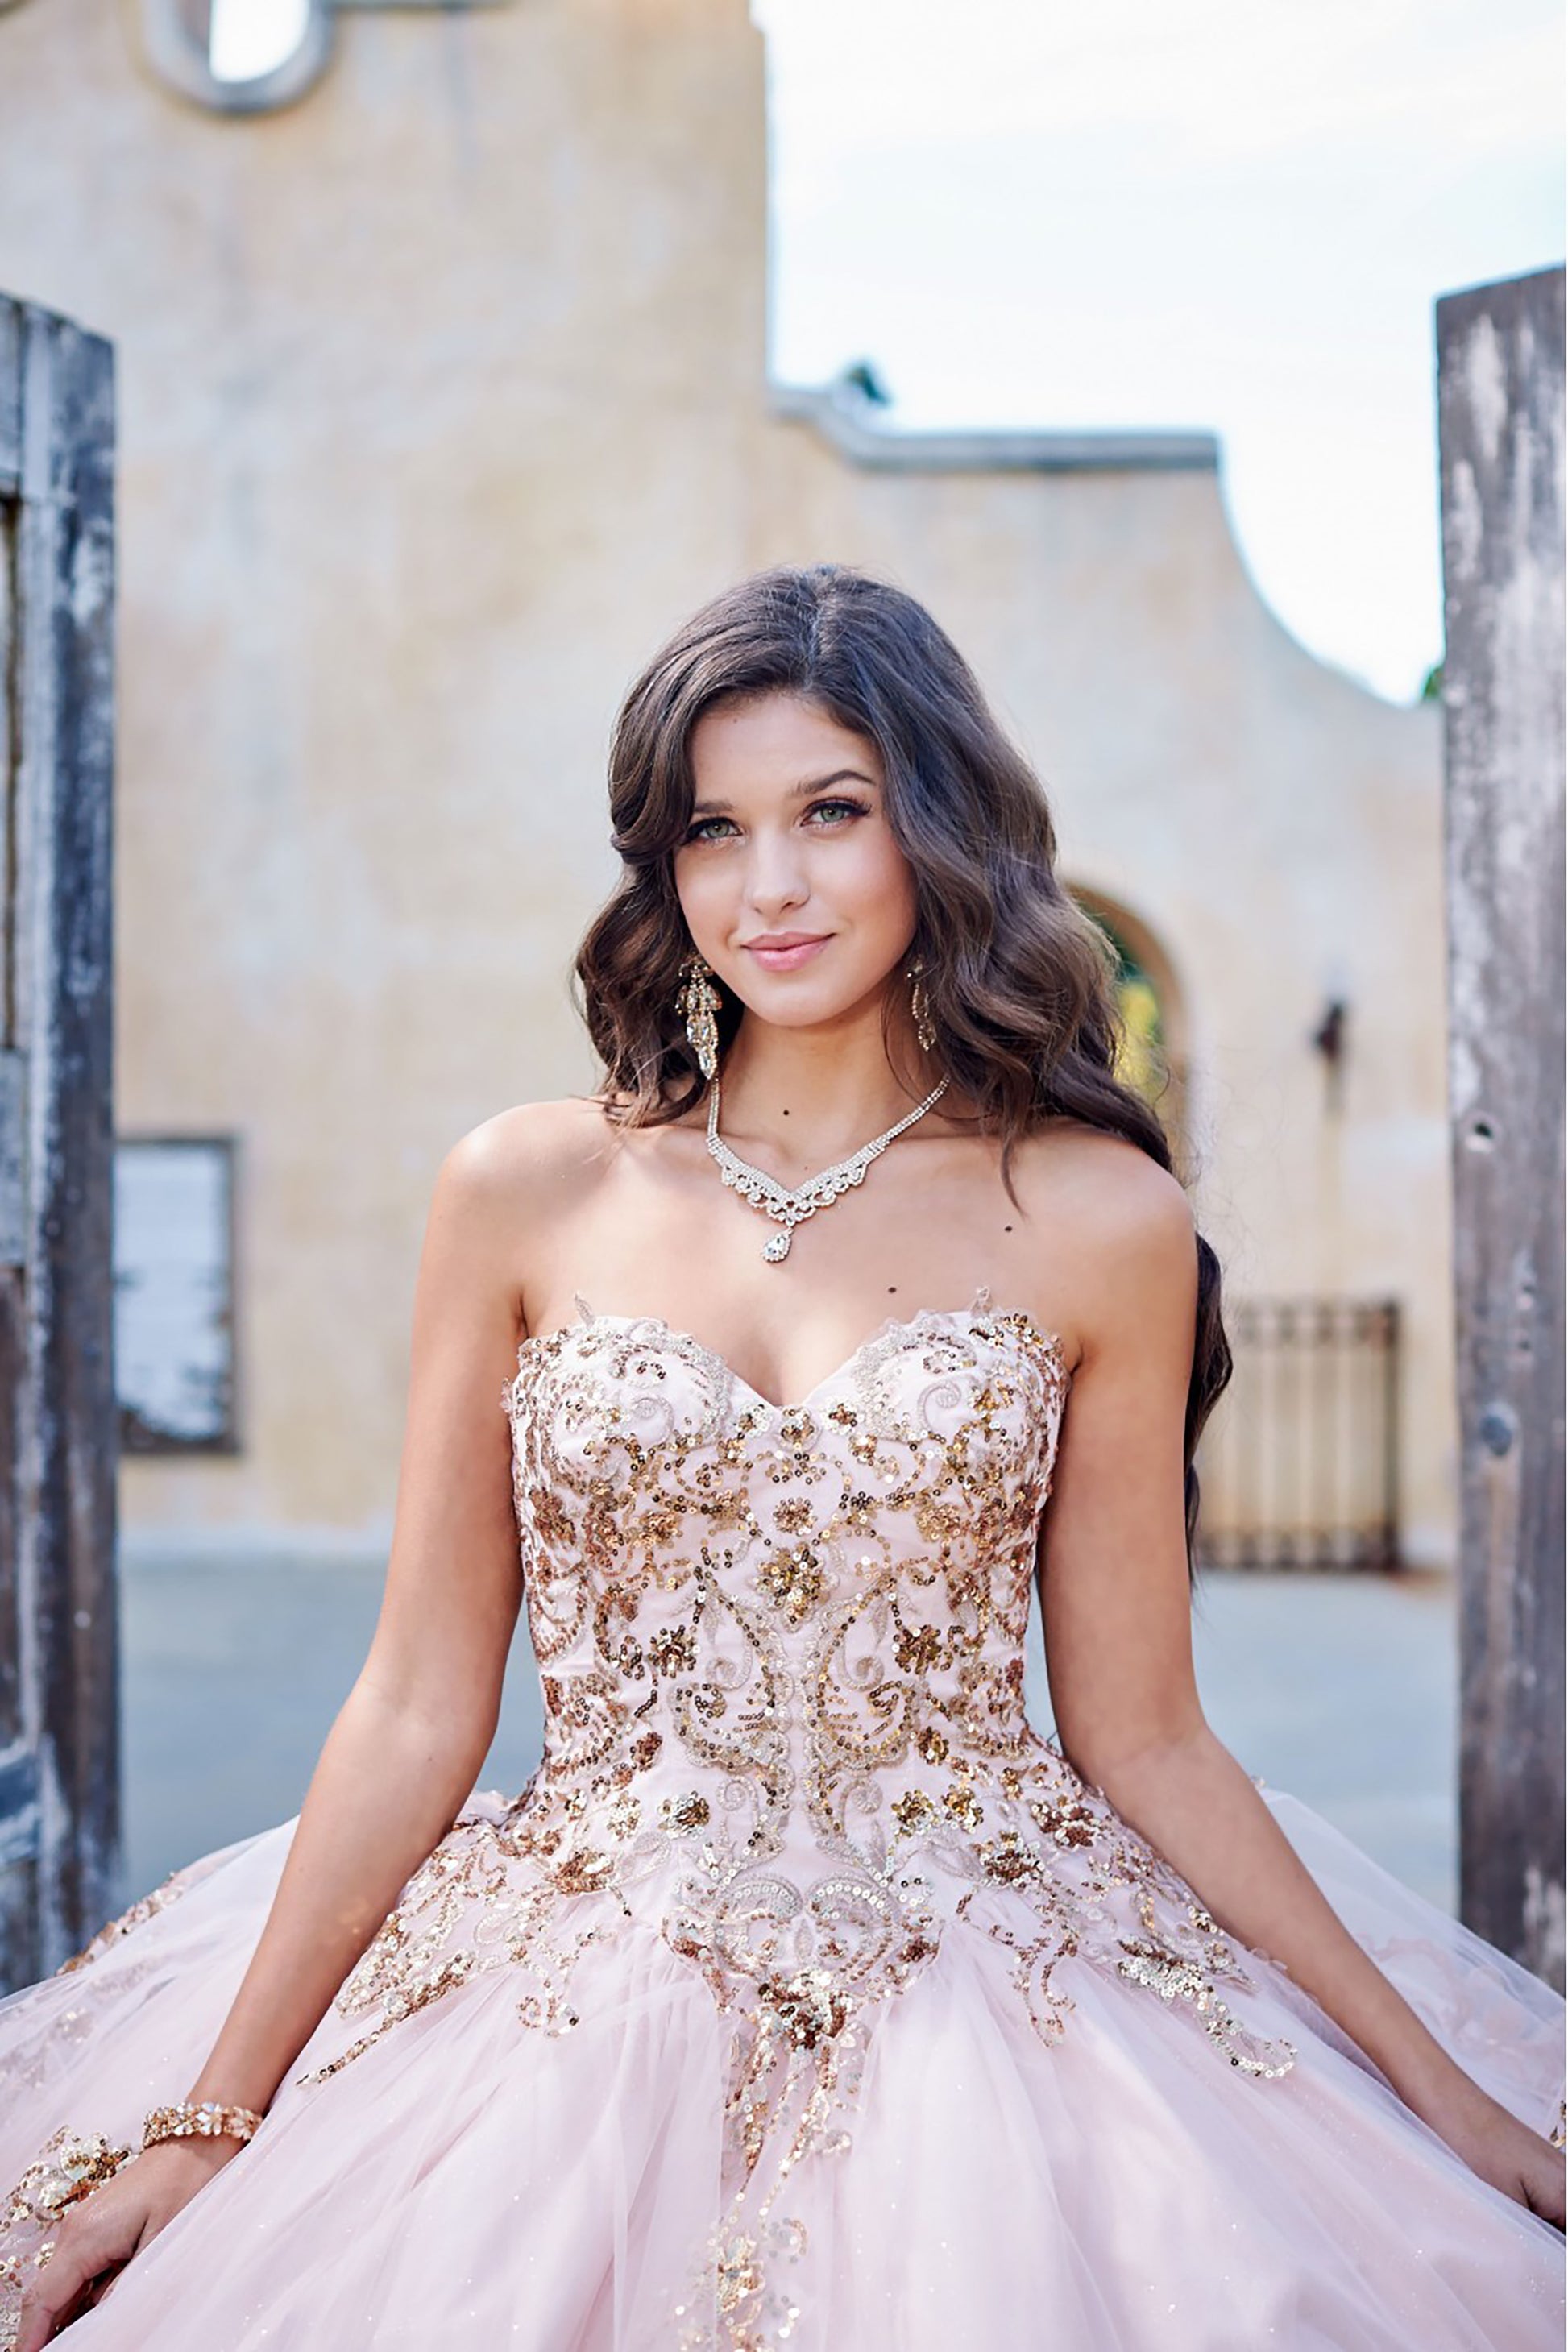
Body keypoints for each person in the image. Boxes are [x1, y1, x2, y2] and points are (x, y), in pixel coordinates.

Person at [0, 563, 1562, 2351]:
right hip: (557, 2001)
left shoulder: (1095, 1215)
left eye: (832, 810)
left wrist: (1430, 2091)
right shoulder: (525, 1184)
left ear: (940, 824)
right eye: (711, 829)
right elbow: (421, 1700)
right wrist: (216, 2116)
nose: (772, 886)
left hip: (996, 2001)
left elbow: (1140, 1729)